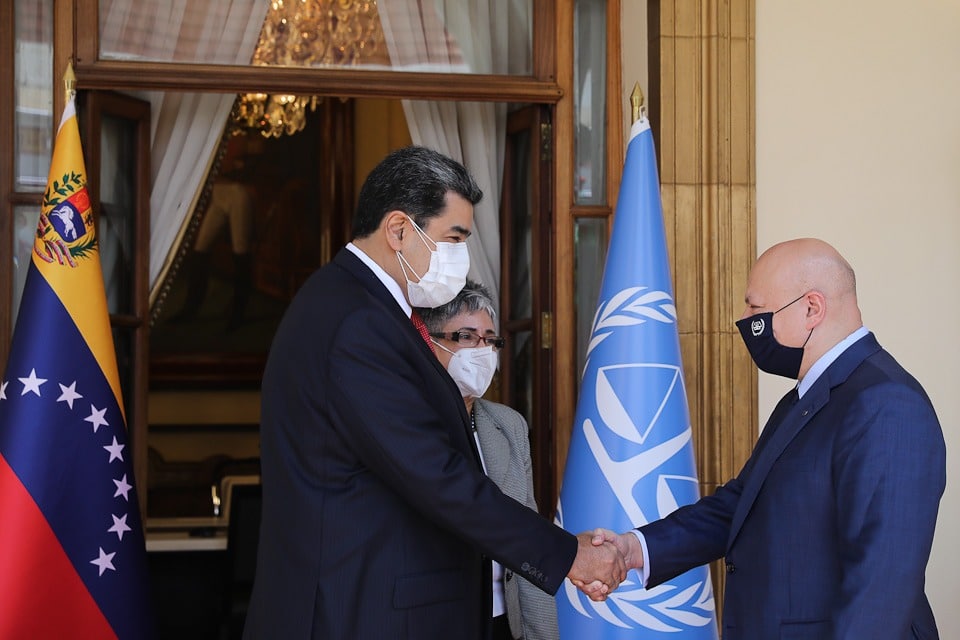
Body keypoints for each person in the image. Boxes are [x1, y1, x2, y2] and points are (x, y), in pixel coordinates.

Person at [244, 146, 625, 640]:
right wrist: (568, 554)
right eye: (453, 238)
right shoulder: (359, 323)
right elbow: (436, 475)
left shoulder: (354, 306)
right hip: (359, 612)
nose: (461, 262)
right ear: (399, 229)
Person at [587, 238, 946, 638]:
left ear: (812, 308)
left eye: (755, 307)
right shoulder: (804, 399)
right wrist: (635, 549)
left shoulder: (885, 403)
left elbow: (882, 583)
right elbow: (744, 505)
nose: (743, 320)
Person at [418, 280, 560, 640]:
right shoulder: (408, 426)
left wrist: (542, 634)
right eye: (466, 336)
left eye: (490, 339)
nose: (482, 351)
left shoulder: (507, 424)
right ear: (428, 341)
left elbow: (526, 533)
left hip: (501, 621)